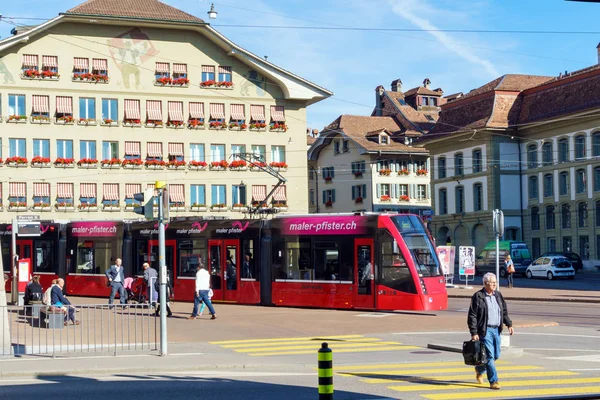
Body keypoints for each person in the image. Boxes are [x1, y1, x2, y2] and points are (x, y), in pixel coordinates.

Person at [467, 272, 514, 390]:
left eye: (495, 283)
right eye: (492, 283)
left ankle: (479, 369)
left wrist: (509, 324)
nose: (494, 285)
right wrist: (474, 332)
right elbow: (472, 315)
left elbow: (503, 311)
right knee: (490, 356)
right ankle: (494, 381)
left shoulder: (498, 295)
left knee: (496, 355)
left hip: (497, 330)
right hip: (485, 330)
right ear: (485, 283)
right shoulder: (478, 296)